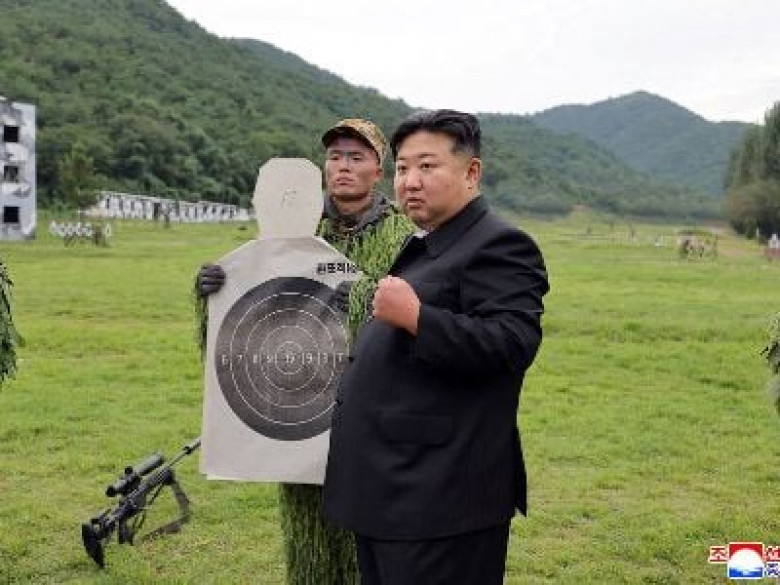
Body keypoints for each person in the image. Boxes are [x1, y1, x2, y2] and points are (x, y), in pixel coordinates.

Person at [322, 109, 549, 585]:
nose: (410, 181)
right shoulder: (430, 242)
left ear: (471, 172)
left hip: (440, 499)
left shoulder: (500, 244)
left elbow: (512, 344)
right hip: (395, 491)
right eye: (403, 168)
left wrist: (418, 318)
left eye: (427, 166)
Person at [195, 118, 412, 585]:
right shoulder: (289, 231)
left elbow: (413, 321)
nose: (343, 166)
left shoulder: (403, 238)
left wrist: (362, 299)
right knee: (308, 536)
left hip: (371, 409)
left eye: (356, 157)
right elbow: (249, 319)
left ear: (378, 171)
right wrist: (214, 292)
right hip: (298, 406)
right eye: (335, 157)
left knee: (365, 538)